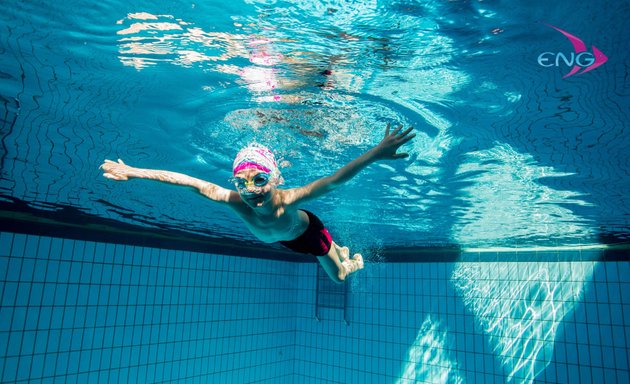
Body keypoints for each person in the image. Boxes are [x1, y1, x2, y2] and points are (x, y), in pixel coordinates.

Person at [100, 123, 415, 283]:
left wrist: (375, 153)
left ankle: (352, 260)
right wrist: (133, 172)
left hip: (309, 235)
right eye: (242, 182)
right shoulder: (235, 201)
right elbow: (187, 181)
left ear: (275, 179)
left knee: (340, 277)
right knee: (333, 266)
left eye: (259, 180)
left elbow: (334, 179)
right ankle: (340, 251)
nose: (251, 190)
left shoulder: (290, 199)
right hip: (286, 241)